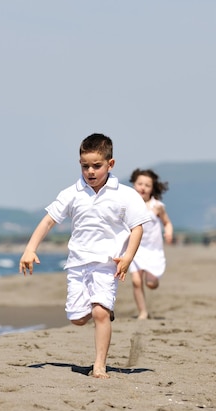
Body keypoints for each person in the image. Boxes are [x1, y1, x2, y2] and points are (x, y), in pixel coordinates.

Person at [19, 133, 151, 379]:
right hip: (78, 264)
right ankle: (101, 309)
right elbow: (49, 221)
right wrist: (30, 248)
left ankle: (99, 364)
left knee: (100, 312)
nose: (90, 171)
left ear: (110, 164)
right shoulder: (72, 193)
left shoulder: (125, 194)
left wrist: (128, 257)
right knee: (78, 318)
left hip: (106, 264)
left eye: (96, 166)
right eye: (85, 165)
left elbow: (137, 227)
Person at [128, 168, 174, 319]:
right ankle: (143, 312)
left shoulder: (157, 206)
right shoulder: (129, 204)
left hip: (153, 250)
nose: (143, 187)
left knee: (151, 284)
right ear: (134, 185)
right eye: (140, 183)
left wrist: (168, 231)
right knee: (136, 281)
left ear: (152, 188)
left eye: (147, 185)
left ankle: (153, 280)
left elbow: (167, 223)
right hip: (135, 248)